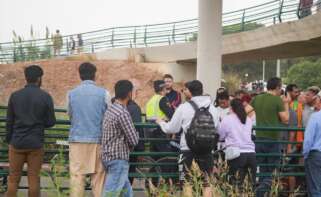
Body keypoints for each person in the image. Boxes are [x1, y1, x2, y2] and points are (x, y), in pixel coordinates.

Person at [156, 80, 219, 197]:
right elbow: (216, 129)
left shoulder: (184, 107)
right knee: (207, 183)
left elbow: (172, 128)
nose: (184, 92)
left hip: (187, 150)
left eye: (185, 90)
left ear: (189, 92)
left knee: (187, 183)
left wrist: (161, 123)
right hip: (207, 151)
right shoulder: (213, 109)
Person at [5, 65, 56, 197]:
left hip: (17, 143)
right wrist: (38, 123)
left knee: (13, 178)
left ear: (26, 78)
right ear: (39, 79)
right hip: (35, 143)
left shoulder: (15, 96)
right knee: (34, 179)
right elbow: (51, 122)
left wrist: (9, 140)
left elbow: (9, 121)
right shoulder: (45, 97)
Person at [67, 62, 110, 197]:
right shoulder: (104, 93)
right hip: (98, 140)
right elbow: (108, 117)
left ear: (80, 75)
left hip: (77, 141)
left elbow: (70, 115)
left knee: (77, 178)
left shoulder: (71, 94)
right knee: (99, 177)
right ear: (94, 75)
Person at [250, 77, 290, 197]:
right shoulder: (277, 100)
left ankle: (261, 194)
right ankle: (259, 193)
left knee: (262, 170)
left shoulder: (257, 98)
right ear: (277, 87)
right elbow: (286, 119)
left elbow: (246, 110)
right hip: (273, 139)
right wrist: (286, 103)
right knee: (273, 171)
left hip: (259, 139)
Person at [101, 80, 139, 197]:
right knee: (110, 193)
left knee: (126, 193)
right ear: (129, 93)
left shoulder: (110, 109)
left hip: (107, 156)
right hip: (118, 158)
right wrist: (137, 133)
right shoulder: (123, 112)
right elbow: (134, 139)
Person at [218, 99, 256, 189]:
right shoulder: (248, 119)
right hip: (251, 154)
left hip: (236, 155)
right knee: (249, 186)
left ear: (231, 108)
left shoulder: (227, 119)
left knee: (235, 186)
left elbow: (221, 136)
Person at [285, 84, 303, 191]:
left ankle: (291, 192)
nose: (298, 94)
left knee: (291, 168)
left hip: (295, 142)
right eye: (295, 92)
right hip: (289, 142)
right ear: (289, 92)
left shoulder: (297, 104)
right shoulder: (289, 104)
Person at [303, 109, 321, 196]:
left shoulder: (315, 117)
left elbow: (308, 139)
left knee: (314, 187)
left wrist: (305, 154)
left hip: (315, 154)